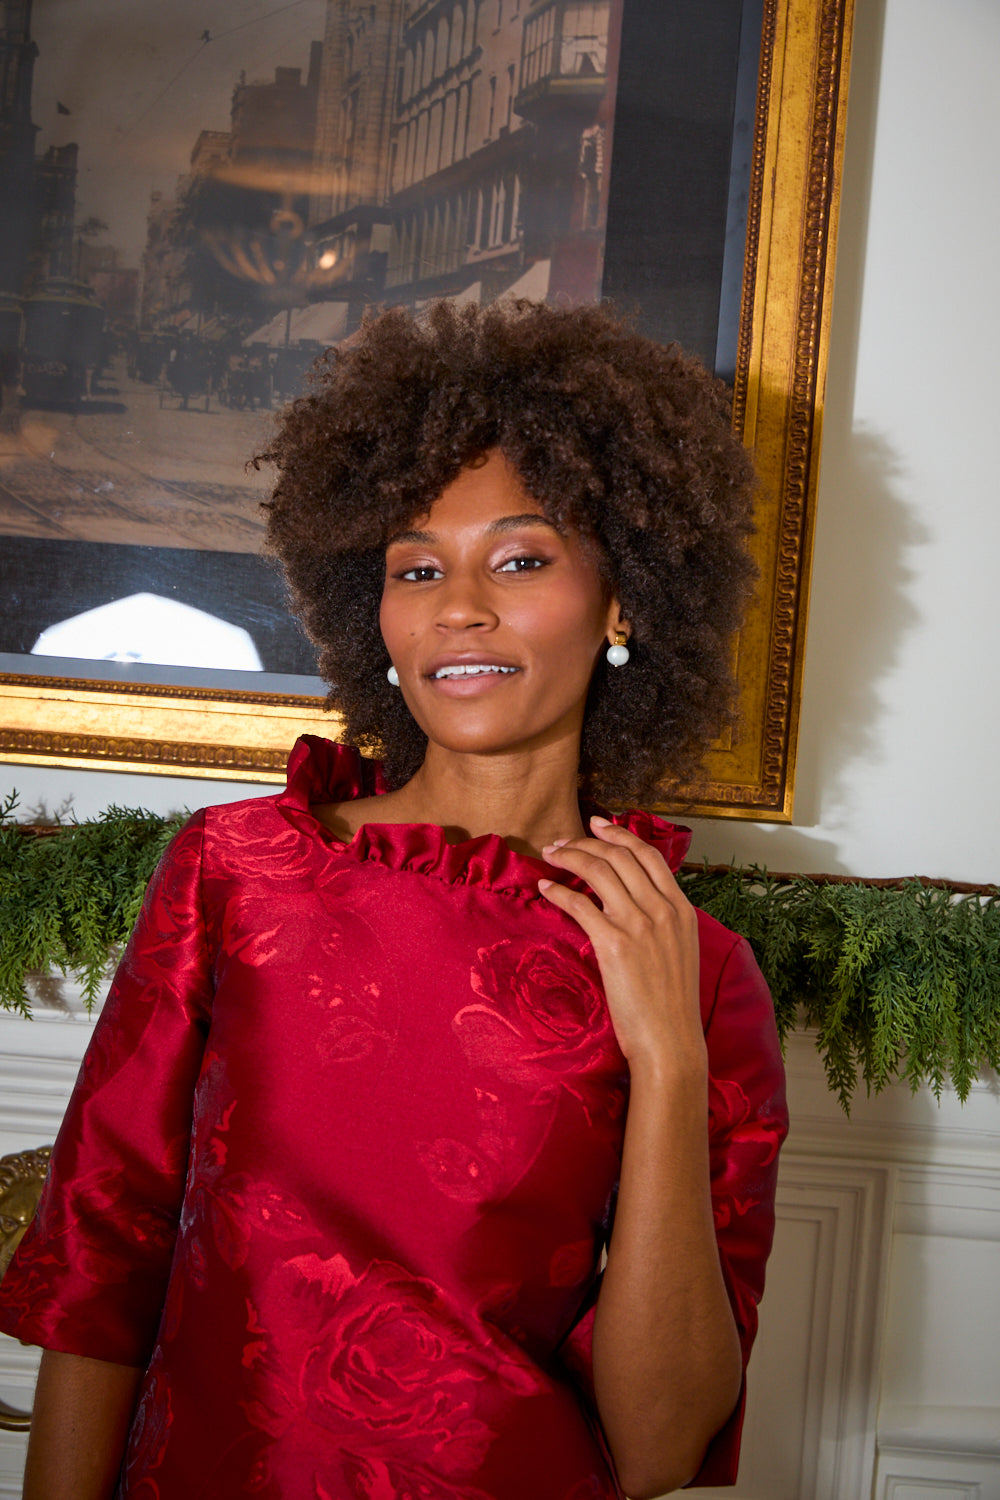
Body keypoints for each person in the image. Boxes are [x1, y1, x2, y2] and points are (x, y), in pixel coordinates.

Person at [0, 299, 788, 1500]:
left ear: (624, 601)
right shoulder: (238, 873)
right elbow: (106, 1261)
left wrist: (668, 1059)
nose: (457, 606)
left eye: (520, 560)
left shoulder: (696, 964)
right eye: (416, 568)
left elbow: (662, 1445)